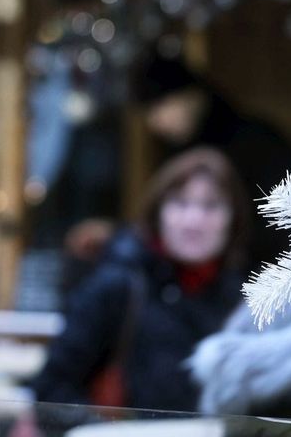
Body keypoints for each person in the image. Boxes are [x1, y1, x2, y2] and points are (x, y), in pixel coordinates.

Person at [32, 147, 249, 413]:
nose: (194, 220)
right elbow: (51, 387)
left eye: (211, 205)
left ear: (232, 218)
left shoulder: (246, 301)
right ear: (158, 213)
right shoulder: (118, 285)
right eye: (180, 203)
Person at [135, 54, 291, 269]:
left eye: (159, 106)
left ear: (191, 96)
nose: (155, 122)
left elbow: (284, 221)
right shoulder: (178, 148)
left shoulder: (257, 143)